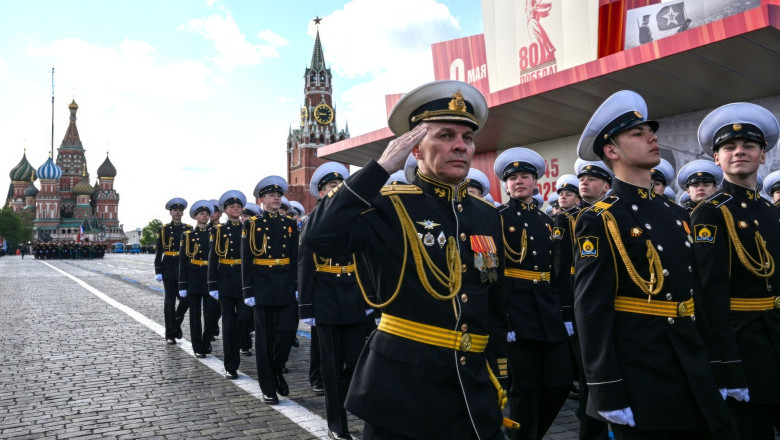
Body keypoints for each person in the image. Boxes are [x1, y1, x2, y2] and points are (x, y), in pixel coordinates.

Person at [302, 80, 511, 440]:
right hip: (404, 391)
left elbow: (493, 303)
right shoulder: (389, 205)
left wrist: (499, 371)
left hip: (471, 387)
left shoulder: (486, 215)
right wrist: (380, 169)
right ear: (415, 149)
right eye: (445, 135)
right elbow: (318, 236)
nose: (460, 145)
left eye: (467, 137)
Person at [573, 90, 733, 439]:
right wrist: (605, 387)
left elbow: (697, 295)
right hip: (642, 366)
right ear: (611, 151)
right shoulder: (601, 218)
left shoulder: (676, 213)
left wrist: (718, 365)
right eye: (638, 134)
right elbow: (592, 310)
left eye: (651, 132)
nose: (652, 138)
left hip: (690, 355)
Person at [691, 102, 780, 440]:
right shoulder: (710, 213)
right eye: (729, 147)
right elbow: (709, 294)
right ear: (717, 159)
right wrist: (725, 365)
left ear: (763, 155)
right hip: (743, 347)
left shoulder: (770, 211)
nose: (739, 151)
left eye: (748, 146)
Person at [494, 147, 571, 440]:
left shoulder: (548, 221)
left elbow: (558, 271)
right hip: (517, 309)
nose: (519, 182)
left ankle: (527, 435)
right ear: (506, 185)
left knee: (560, 382)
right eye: (512, 178)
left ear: (535, 182)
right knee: (524, 388)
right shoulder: (497, 218)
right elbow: (492, 272)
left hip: (547, 309)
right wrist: (503, 317)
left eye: (524, 176)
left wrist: (564, 312)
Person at [299, 162, 368, 440]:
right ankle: (337, 425)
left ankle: (355, 403)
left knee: (358, 360)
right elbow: (305, 266)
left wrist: (370, 300)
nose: (337, 189)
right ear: (321, 192)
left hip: (354, 295)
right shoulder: (313, 222)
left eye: (340, 185)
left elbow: (364, 261)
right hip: (326, 298)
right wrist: (307, 306)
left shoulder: (356, 219)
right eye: (331, 186)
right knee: (331, 365)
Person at [242, 176, 299, 405]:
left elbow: (294, 257)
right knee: (265, 338)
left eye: (278, 195)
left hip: (284, 282)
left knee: (288, 330)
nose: (276, 198)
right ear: (262, 199)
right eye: (271, 195)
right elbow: (247, 259)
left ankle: (275, 370)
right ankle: (268, 387)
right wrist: (248, 290)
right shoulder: (252, 224)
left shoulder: (290, 224)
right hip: (262, 284)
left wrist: (296, 285)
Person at [208, 190, 250, 380]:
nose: (236, 208)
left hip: (244, 280)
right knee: (227, 323)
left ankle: (238, 345)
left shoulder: (248, 228)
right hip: (225, 279)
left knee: (244, 319)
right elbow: (213, 258)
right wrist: (212, 284)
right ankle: (230, 365)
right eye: (232, 206)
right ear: (225, 210)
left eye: (238, 206)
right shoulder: (218, 231)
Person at [178, 200, 216, 358]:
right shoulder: (188, 235)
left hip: (210, 276)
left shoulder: (214, 233)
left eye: (207, 214)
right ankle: (197, 346)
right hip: (194, 275)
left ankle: (206, 340)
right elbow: (183, 261)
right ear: (195, 217)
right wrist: (182, 284)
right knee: (195, 315)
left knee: (212, 313)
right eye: (201, 214)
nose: (204, 216)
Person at [155, 197, 192, 345]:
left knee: (186, 299)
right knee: (169, 302)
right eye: (175, 210)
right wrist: (158, 269)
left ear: (182, 213)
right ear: (170, 212)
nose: (177, 212)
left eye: (180, 210)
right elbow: (159, 251)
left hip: (184, 267)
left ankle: (176, 321)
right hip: (169, 267)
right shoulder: (163, 229)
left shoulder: (189, 228)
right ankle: (170, 334)